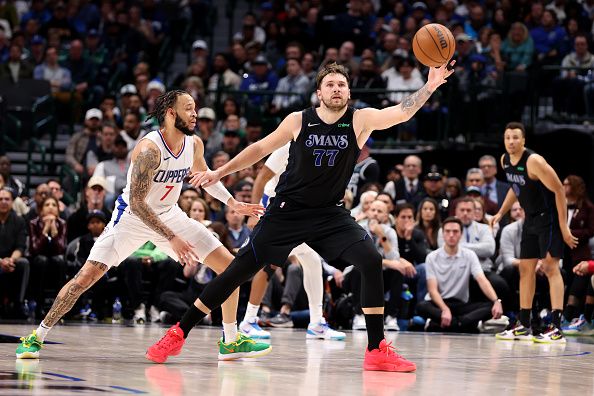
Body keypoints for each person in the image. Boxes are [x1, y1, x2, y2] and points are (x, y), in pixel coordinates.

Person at [148, 62, 455, 372]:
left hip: (330, 215)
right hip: (287, 212)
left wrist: (429, 86)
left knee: (371, 260)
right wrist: (220, 172)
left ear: (348, 92)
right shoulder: (299, 121)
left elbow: (401, 112)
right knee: (236, 272)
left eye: (342, 84)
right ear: (318, 92)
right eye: (331, 84)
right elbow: (260, 148)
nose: (337, 88)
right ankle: (177, 333)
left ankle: (376, 349)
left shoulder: (360, 120)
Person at [16, 90, 269, 361]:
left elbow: (205, 176)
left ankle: (230, 341)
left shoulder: (194, 144)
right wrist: (171, 237)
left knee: (231, 269)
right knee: (84, 279)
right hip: (131, 219)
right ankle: (37, 336)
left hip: (170, 214)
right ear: (171, 113)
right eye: (189, 108)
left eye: (195, 108)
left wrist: (233, 203)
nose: (195, 114)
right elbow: (137, 203)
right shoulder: (150, 149)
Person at [240, 142, 346, 340]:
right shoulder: (288, 146)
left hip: (297, 211)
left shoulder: (320, 148)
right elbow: (262, 177)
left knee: (312, 260)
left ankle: (315, 322)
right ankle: (248, 321)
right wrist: (254, 213)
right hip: (273, 207)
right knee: (268, 264)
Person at [493, 122, 577, 343]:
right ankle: (523, 323)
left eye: (515, 137)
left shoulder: (534, 161)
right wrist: (501, 213)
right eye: (507, 137)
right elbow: (515, 186)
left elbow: (559, 189)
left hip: (548, 219)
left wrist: (564, 227)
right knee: (525, 270)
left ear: (523, 141)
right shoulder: (504, 161)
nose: (511, 141)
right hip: (529, 220)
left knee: (550, 268)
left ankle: (556, 326)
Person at [417, 217, 503, 332]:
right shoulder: (432, 257)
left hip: (461, 304)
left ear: (461, 234)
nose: (451, 235)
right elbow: (432, 290)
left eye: (455, 231)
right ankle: (464, 324)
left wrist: (496, 301)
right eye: (447, 231)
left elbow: (482, 279)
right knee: (421, 306)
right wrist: (444, 309)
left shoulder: (469, 255)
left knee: (489, 307)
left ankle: (448, 324)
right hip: (439, 303)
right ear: (442, 234)